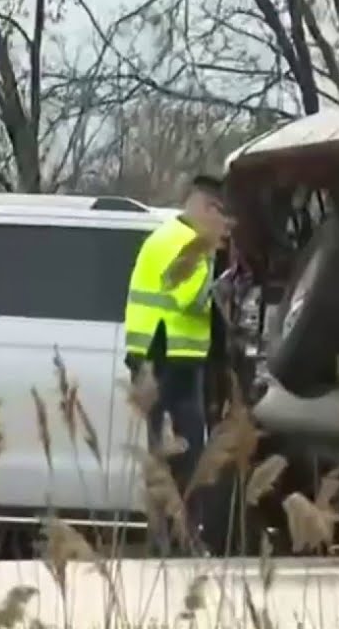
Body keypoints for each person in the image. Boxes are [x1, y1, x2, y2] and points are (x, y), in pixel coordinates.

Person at [124, 174, 230, 555]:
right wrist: (217, 260)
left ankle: (168, 538)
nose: (223, 225)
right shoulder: (184, 244)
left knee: (166, 452)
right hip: (169, 360)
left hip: (161, 358)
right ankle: (181, 539)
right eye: (220, 214)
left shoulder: (167, 237)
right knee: (186, 452)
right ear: (206, 208)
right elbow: (194, 300)